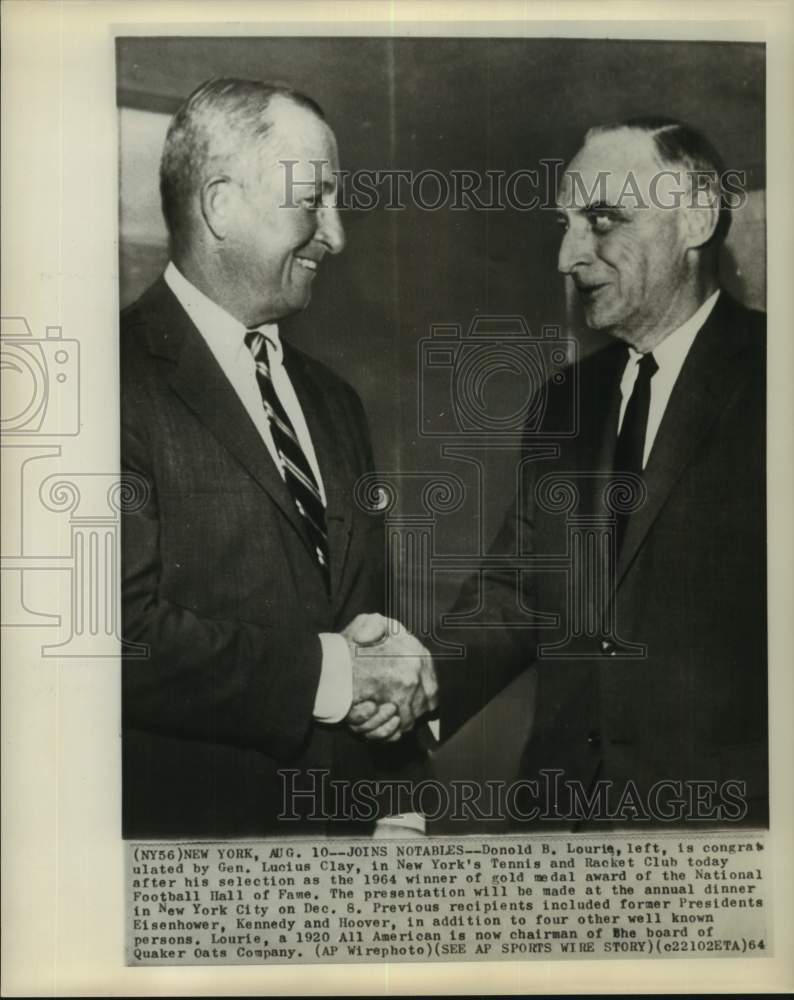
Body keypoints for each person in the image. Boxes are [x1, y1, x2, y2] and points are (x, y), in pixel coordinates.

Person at [363, 117, 767, 829]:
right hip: (561, 826)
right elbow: (519, 589)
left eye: (602, 220)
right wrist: (420, 676)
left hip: (728, 841)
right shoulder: (566, 399)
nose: (566, 255)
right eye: (565, 223)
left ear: (695, 219)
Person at [120, 78, 435, 838]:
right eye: (312, 200)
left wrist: (399, 803)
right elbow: (115, 638)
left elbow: (368, 624)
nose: (337, 234)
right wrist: (330, 675)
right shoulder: (101, 378)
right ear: (221, 204)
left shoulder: (335, 403)